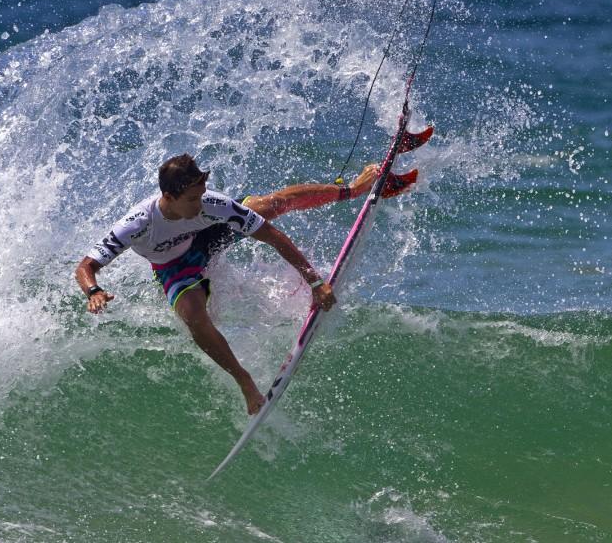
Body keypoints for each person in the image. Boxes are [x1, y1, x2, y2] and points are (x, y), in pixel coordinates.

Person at [75, 154, 410, 415]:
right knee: (193, 315)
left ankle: (353, 189)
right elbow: (86, 266)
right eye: (192, 199)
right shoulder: (137, 223)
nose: (200, 203)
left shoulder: (209, 205)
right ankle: (245, 381)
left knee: (266, 205)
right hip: (175, 265)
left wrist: (314, 280)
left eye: (202, 194)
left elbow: (270, 234)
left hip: (205, 237)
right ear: (169, 196)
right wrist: (94, 291)